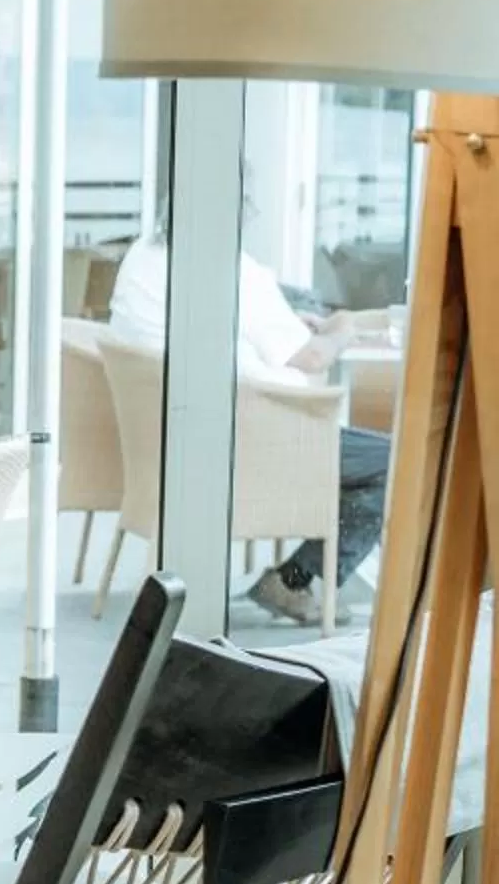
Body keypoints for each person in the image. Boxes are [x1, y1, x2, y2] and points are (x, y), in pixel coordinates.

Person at [106, 229, 391, 622]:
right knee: (396, 463)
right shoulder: (229, 268)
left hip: (179, 441)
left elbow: (220, 324)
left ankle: (296, 577)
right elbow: (312, 358)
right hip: (250, 443)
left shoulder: (142, 257)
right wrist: (343, 329)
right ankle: (293, 580)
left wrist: (286, 324)